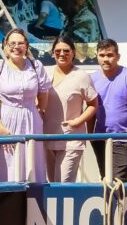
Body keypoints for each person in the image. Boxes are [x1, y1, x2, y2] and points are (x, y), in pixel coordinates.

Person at [0, 28, 53, 183]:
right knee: (5, 163)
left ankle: (32, 195)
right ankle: (6, 196)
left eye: (21, 43)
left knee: (31, 162)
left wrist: (39, 113)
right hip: (5, 122)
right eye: (12, 43)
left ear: (26, 46)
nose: (16, 47)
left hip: (31, 120)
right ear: (5, 46)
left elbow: (44, 93)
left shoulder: (36, 66)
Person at [89, 39, 127, 182]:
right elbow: (90, 107)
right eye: (102, 55)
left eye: (110, 55)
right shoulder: (92, 79)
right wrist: (89, 134)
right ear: (97, 56)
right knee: (105, 179)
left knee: (118, 180)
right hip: (100, 138)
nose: (106, 59)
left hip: (124, 138)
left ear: (118, 57)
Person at [42, 36, 99, 182]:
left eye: (66, 51)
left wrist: (78, 121)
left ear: (73, 52)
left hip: (71, 138)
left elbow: (93, 104)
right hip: (47, 137)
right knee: (51, 184)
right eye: (58, 51)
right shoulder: (45, 73)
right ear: (53, 53)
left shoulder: (81, 76)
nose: (62, 54)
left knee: (63, 183)